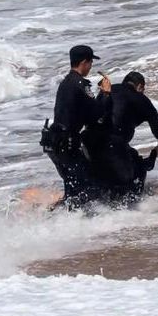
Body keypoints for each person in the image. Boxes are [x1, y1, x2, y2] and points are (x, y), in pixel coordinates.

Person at [40, 44, 111, 206]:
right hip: (67, 144)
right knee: (88, 188)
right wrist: (105, 93)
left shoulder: (66, 82)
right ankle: (71, 223)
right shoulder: (81, 85)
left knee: (72, 187)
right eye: (91, 62)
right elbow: (95, 115)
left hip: (54, 142)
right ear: (84, 62)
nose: (91, 66)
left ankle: (57, 217)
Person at [89, 71, 158, 202]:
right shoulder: (140, 98)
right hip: (114, 147)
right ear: (139, 87)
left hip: (90, 143)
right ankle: (132, 206)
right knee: (138, 168)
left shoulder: (108, 91)